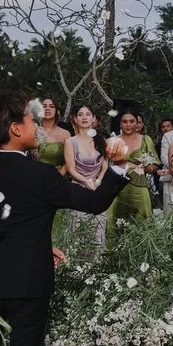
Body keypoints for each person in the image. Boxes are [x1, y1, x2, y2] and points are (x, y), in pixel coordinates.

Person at [0, 89, 128, 346]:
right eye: (30, 120)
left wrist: (42, 241)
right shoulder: (41, 174)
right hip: (29, 283)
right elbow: (94, 202)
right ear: (15, 128)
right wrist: (118, 167)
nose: (37, 126)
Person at [106, 110, 161, 244]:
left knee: (142, 222)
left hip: (139, 186)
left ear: (138, 123)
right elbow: (104, 165)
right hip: (118, 188)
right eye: (124, 122)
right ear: (120, 124)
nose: (128, 124)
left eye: (132, 121)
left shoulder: (145, 140)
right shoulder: (112, 141)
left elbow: (155, 166)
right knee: (115, 224)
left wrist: (148, 168)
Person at [64, 104, 109, 243]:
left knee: (98, 232)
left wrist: (99, 180)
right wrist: (86, 181)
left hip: (98, 188)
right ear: (75, 119)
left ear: (94, 118)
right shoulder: (70, 141)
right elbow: (71, 169)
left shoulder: (101, 140)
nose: (84, 117)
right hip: (78, 189)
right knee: (78, 234)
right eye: (80, 114)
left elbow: (105, 165)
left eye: (88, 114)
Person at [38, 97, 70, 175]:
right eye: (44, 106)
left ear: (57, 112)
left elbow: (69, 161)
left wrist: (58, 176)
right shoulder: (32, 130)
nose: (47, 109)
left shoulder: (65, 134)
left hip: (57, 176)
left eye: (51, 106)